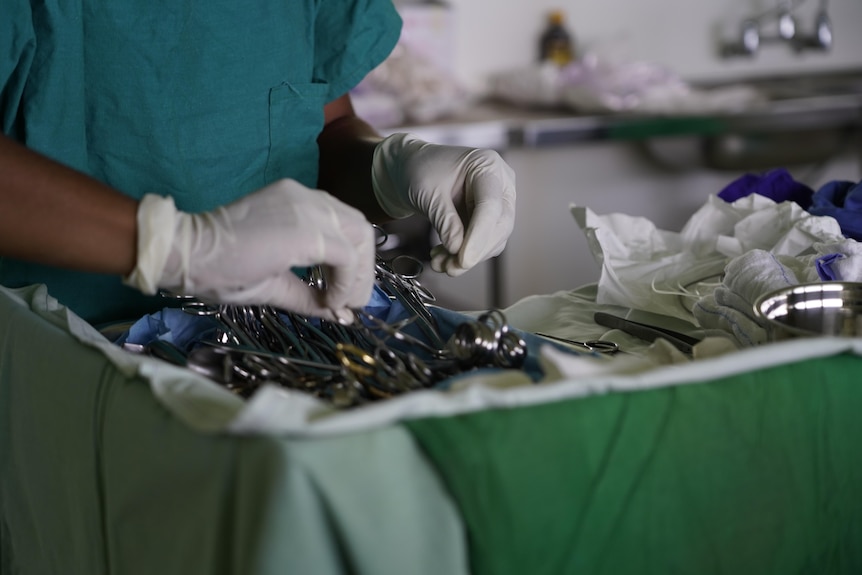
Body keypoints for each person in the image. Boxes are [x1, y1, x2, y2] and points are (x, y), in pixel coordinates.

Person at [0, 1, 516, 327]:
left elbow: (323, 126)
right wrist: (175, 246)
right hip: (55, 350)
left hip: (264, 339)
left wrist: (388, 170)